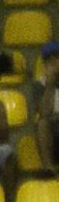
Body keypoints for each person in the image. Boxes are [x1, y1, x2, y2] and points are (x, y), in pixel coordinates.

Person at [32, 42, 59, 172]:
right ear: (46, 64)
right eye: (52, 60)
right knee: (42, 123)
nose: (56, 64)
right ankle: (48, 168)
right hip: (53, 134)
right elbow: (44, 112)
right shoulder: (39, 85)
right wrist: (51, 84)